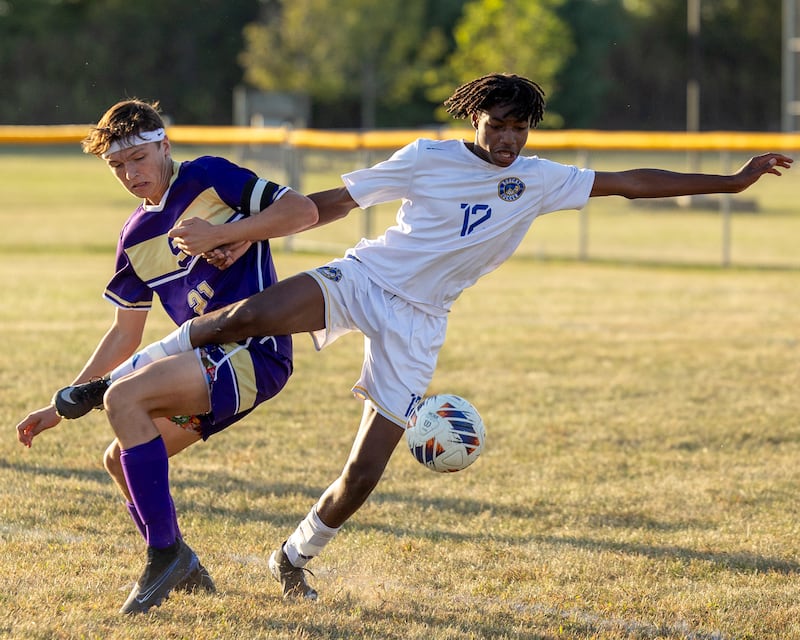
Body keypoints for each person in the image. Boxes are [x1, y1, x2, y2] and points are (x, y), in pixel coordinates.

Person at [49, 73, 793, 602]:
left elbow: (631, 182)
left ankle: (292, 556)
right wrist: (245, 233)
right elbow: (339, 202)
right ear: (474, 120)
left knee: (365, 473)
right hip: (366, 279)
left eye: (517, 126)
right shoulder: (428, 158)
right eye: (495, 124)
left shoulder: (538, 178)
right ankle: (103, 389)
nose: (506, 137)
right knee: (249, 316)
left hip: (420, 323)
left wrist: (730, 183)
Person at [14, 99, 318, 614]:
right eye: (118, 166)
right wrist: (61, 402)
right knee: (119, 459)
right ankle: (185, 565)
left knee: (125, 400)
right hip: (205, 362)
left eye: (138, 158)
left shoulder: (210, 177)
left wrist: (226, 234)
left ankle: (163, 555)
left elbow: (303, 211)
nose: (131, 174)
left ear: (164, 146)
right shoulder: (134, 236)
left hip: (253, 350)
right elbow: (123, 334)